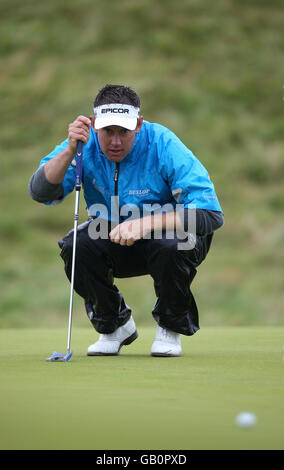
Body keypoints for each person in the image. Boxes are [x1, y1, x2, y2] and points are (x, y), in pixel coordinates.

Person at [29, 84, 224, 357]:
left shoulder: (163, 143)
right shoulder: (84, 145)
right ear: (95, 125)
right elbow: (40, 191)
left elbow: (210, 215)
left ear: (139, 125)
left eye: (124, 132)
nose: (116, 142)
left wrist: (146, 223)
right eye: (108, 131)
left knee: (171, 244)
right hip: (114, 234)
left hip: (170, 237)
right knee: (76, 245)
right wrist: (70, 151)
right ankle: (114, 325)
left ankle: (170, 326)